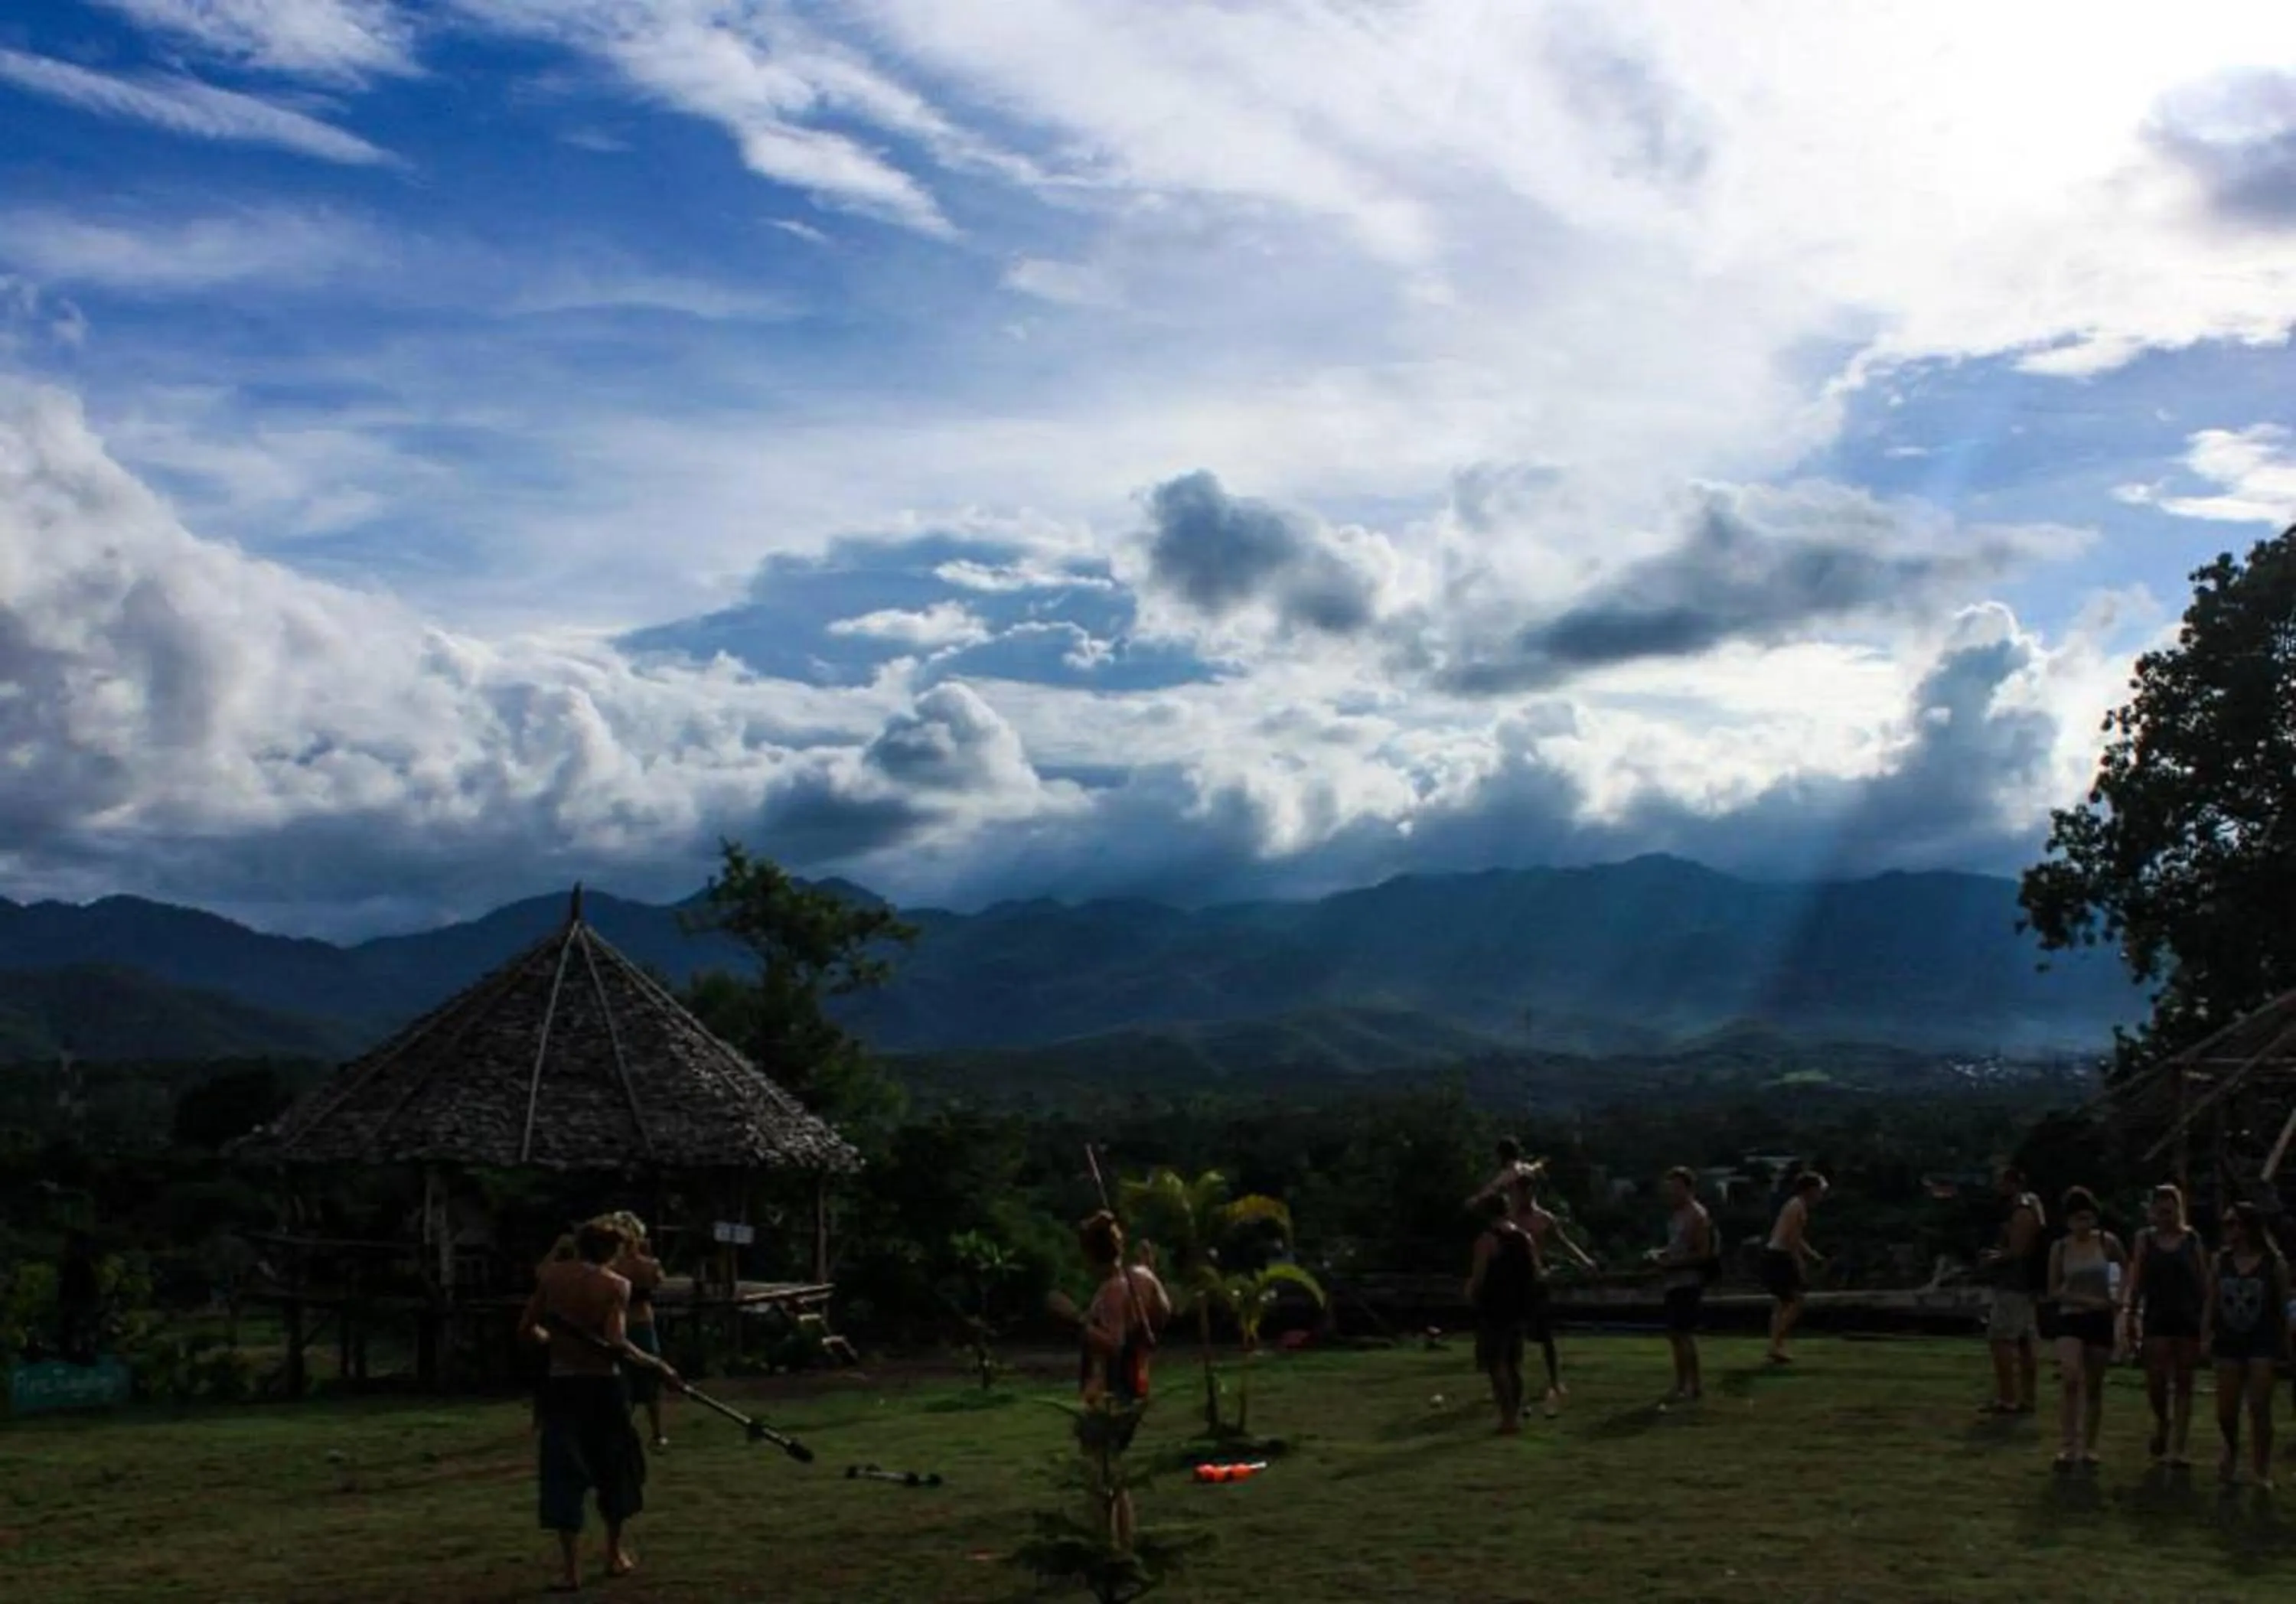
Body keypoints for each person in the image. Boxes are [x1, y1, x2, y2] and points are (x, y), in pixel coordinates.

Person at [519, 1219, 679, 1593]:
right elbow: (617, 1343)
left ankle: (570, 1570)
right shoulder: (616, 1286)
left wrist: (553, 1342)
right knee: (614, 1468)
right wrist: (657, 1365)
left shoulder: (553, 1277)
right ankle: (613, 1554)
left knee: (564, 1472)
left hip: (562, 1385)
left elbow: (527, 1329)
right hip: (602, 1386)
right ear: (613, 1252)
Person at [1075, 1209, 1172, 1552]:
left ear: (1089, 1254)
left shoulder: (1111, 1293)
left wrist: (1077, 1322)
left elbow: (1113, 1343)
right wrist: (1149, 1267)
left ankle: (1109, 1548)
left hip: (1111, 1386)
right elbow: (1162, 1311)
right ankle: (1123, 1544)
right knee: (1112, 1467)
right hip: (1139, 1379)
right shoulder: (1143, 1279)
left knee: (1100, 1470)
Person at [2118, 1183, 2206, 1468]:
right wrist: (2130, 1314)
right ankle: (2162, 1422)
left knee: (2183, 1381)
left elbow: (2203, 1281)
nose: (2166, 1214)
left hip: (2186, 1317)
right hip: (2156, 1316)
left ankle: (2178, 1447)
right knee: (2156, 1380)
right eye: (2161, 1208)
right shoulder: (2145, 1239)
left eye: (2170, 1208)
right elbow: (2136, 1278)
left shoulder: (2191, 1239)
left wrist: (2206, 1319)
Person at [2203, 1201, 2289, 1489]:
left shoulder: (2272, 1263)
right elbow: (2211, 1300)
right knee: (2225, 1410)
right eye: (2226, 1224)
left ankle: (2260, 1468)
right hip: (2228, 1340)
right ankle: (2231, 1448)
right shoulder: (2220, 1261)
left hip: (2262, 1340)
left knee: (2259, 1405)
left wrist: (2286, 1345)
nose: (2229, 1230)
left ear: (2249, 1228)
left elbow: (2282, 1305)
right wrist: (2205, 1334)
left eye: (2234, 1224)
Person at [2045, 1186, 2126, 1472]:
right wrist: (2082, 1299)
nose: (2084, 1225)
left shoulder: (2107, 1242)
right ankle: (2067, 1445)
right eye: (2078, 1219)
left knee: (2094, 1385)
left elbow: (2124, 1271)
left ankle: (2089, 1446)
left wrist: (2118, 1299)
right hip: (2071, 1317)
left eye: (2089, 1218)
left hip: (2100, 1319)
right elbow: (2053, 1289)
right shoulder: (2061, 1247)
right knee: (2070, 1377)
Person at [1521, 1190, 1598, 1417]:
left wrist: (1584, 1260)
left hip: (1537, 1280)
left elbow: (1564, 1242)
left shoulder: (1543, 1218)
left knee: (1545, 1333)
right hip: (1515, 1280)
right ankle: (1506, 1381)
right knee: (1512, 1333)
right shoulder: (1510, 1217)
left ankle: (1555, 1380)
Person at [1977, 1167, 2047, 1417]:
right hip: (2025, 1285)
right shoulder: (2032, 1206)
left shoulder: (2023, 1210)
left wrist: (1994, 1258)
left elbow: (2019, 1250)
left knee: (2001, 1339)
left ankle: (2008, 1398)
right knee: (2025, 1342)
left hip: (2015, 1284)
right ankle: (2026, 1398)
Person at [1466, 1193, 1538, 1435]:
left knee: (1497, 1364)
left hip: (1495, 1306)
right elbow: (1535, 1271)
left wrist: (1469, 1294)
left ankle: (1507, 1418)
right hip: (1519, 1306)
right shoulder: (1524, 1238)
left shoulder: (1487, 1240)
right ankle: (1514, 1414)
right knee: (1514, 1363)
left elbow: (1479, 1276)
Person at [1646, 1166, 1714, 1410]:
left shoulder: (1697, 1216)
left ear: (1688, 1188)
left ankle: (1692, 1385)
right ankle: (1682, 1383)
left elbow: (1702, 1254)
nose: (1671, 1193)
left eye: (1676, 1188)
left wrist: (1671, 1263)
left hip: (1687, 1282)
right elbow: (1676, 1246)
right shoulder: (1676, 1215)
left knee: (1684, 1334)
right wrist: (1660, 1255)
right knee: (1675, 1335)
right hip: (1673, 1281)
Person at [608, 1214, 671, 1450]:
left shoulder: (611, 1267)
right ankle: (657, 1433)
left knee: (623, 1379)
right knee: (650, 1375)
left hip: (619, 1323)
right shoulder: (648, 1265)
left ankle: (622, 1432)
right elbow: (658, 1280)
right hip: (642, 1322)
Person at [1762, 1172, 1828, 1365]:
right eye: (1819, 1191)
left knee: (1783, 1303)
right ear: (1810, 1190)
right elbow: (1790, 1240)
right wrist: (1799, 1264)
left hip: (1776, 1253)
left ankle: (1777, 1345)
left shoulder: (1796, 1205)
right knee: (1796, 1301)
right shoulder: (1797, 1207)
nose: (1820, 1196)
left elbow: (1796, 1237)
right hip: (1780, 1255)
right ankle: (1775, 1344)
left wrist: (1812, 1254)